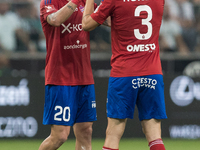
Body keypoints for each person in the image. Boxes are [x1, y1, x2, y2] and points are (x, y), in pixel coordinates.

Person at [82, 0, 167, 150]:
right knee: (154, 134)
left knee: (114, 133)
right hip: (152, 72)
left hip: (124, 73)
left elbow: (86, 24)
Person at [38, 0, 98, 149]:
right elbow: (56, 20)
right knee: (60, 136)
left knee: (86, 131)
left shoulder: (87, 2)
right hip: (60, 78)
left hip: (84, 77)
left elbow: (106, 19)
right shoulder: (49, 2)